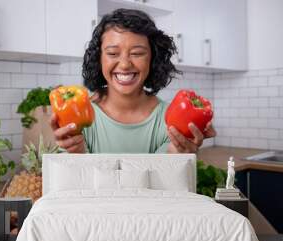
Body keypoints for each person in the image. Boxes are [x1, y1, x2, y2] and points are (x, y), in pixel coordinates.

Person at [50, 8, 216, 154]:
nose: (124, 64)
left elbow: (161, 180)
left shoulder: (171, 120)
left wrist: (179, 152)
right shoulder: (79, 113)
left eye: (137, 53)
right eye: (113, 53)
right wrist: (76, 154)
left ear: (153, 58)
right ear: (99, 59)